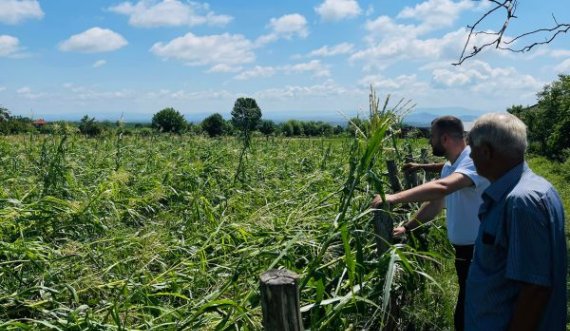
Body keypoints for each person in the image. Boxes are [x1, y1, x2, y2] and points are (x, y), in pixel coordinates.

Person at [371, 116, 489, 331]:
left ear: (444, 138)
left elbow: (443, 188)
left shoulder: (472, 160)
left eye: (431, 136)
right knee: (468, 310)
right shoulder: (450, 167)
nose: (429, 141)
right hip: (465, 252)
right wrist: (407, 227)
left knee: (473, 313)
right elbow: (435, 204)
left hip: (483, 252)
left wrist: (394, 198)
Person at [464, 113, 567, 330]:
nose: (470, 156)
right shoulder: (537, 188)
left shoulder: (520, 202)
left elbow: (535, 288)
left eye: (471, 149)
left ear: (486, 152)